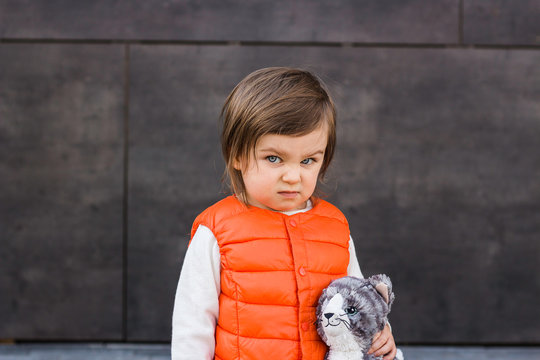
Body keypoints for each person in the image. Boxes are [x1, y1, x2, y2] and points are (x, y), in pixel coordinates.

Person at [171, 67, 397, 360]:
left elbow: (358, 301)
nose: (293, 176)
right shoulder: (217, 230)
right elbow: (193, 324)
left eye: (307, 160)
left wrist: (381, 332)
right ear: (237, 154)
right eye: (274, 158)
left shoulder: (335, 228)